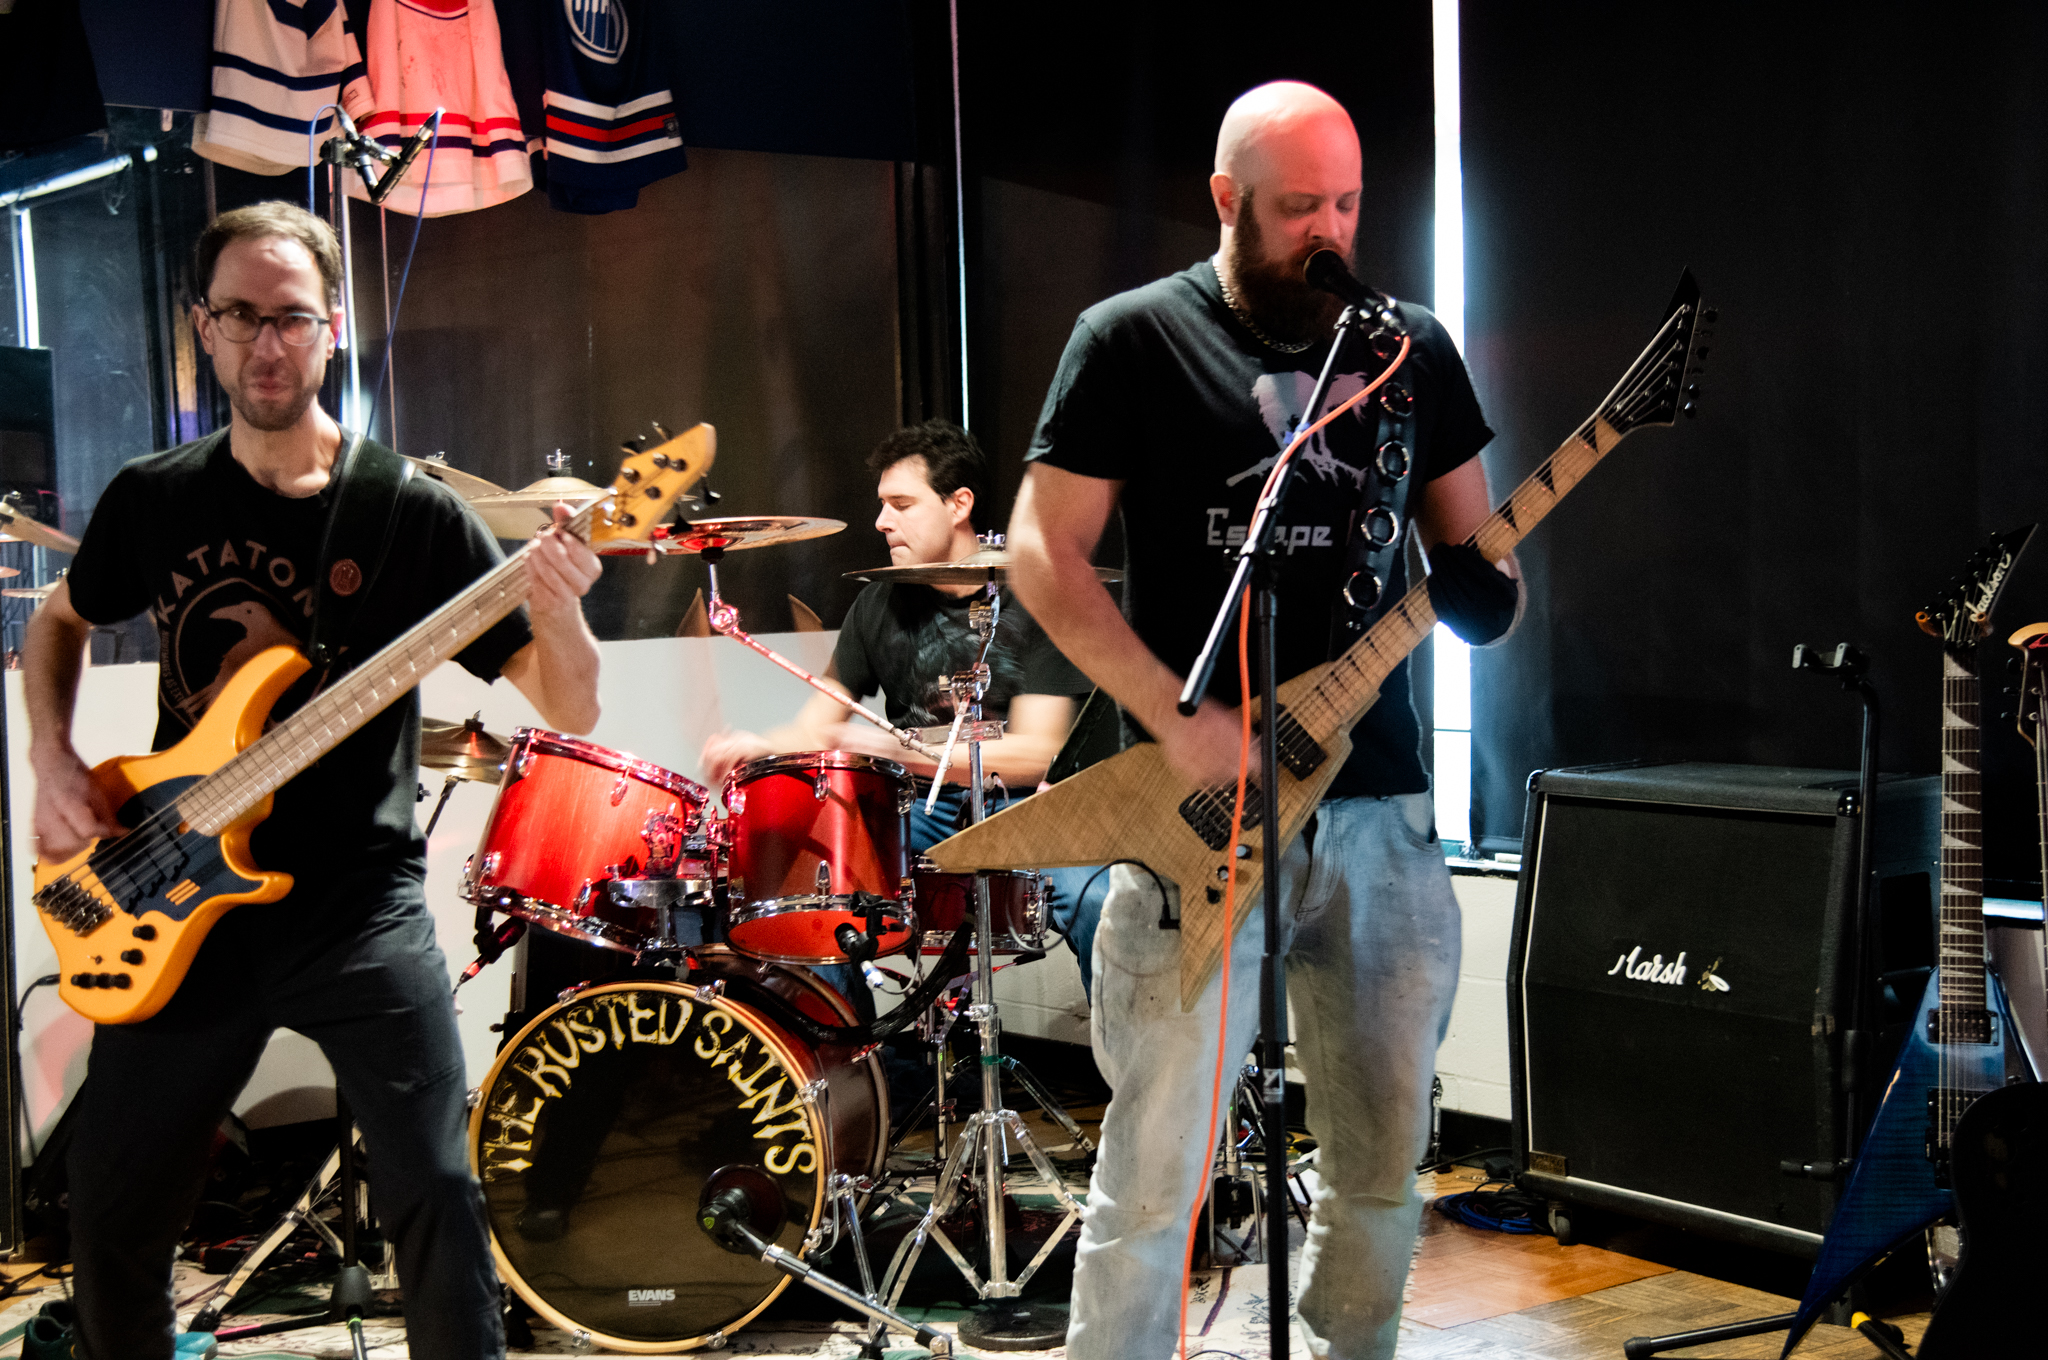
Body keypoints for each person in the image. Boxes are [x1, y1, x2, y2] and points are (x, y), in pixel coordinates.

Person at [25, 201, 603, 1360]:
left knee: (437, 1188)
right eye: (239, 315)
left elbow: (570, 703)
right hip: (174, 893)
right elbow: (58, 620)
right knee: (112, 1204)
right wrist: (52, 758)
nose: (266, 342)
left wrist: (561, 607)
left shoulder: (409, 513)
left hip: (355, 904)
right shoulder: (155, 497)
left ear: (332, 328)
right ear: (202, 327)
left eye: (290, 316)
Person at [1006, 82, 1522, 1359]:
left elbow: (1485, 569)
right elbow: (1040, 554)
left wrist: (1488, 593)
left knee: (1382, 1164)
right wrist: (1166, 714)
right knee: (1152, 1176)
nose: (1328, 234)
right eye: (1298, 208)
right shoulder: (1128, 337)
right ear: (1225, 200)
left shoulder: (1409, 351)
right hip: (1200, 814)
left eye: (1346, 204)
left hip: (1380, 813)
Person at [702, 419, 1103, 985]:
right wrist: (759, 747)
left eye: (902, 504)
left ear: (959, 504)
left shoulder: (1036, 595)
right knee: (813, 888)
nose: (881, 520)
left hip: (1024, 805)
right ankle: (850, 1040)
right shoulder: (878, 604)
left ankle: (1128, 1043)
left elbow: (1040, 753)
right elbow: (819, 726)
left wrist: (895, 749)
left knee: (1100, 900)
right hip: (916, 811)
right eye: (882, 504)